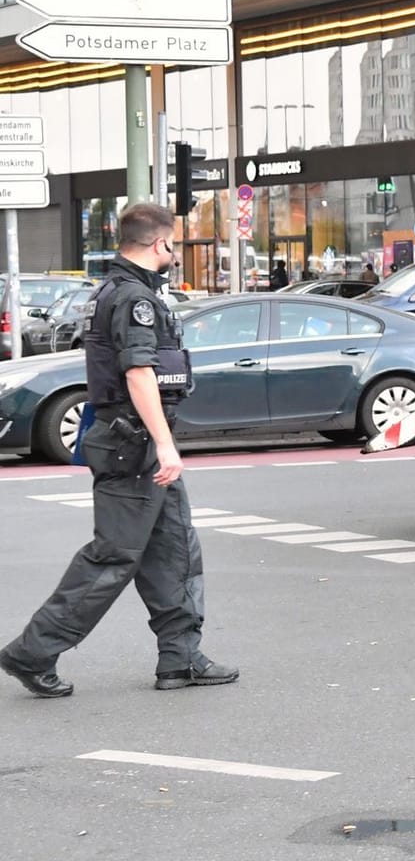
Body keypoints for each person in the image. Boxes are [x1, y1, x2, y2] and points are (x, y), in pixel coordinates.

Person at [0, 203, 238, 699]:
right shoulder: (133, 298)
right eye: (174, 243)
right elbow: (138, 373)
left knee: (175, 552)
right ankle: (33, 651)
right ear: (160, 245)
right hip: (135, 446)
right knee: (112, 558)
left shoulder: (114, 290)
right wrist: (166, 445)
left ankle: (181, 658)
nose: (175, 251)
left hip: (135, 445)